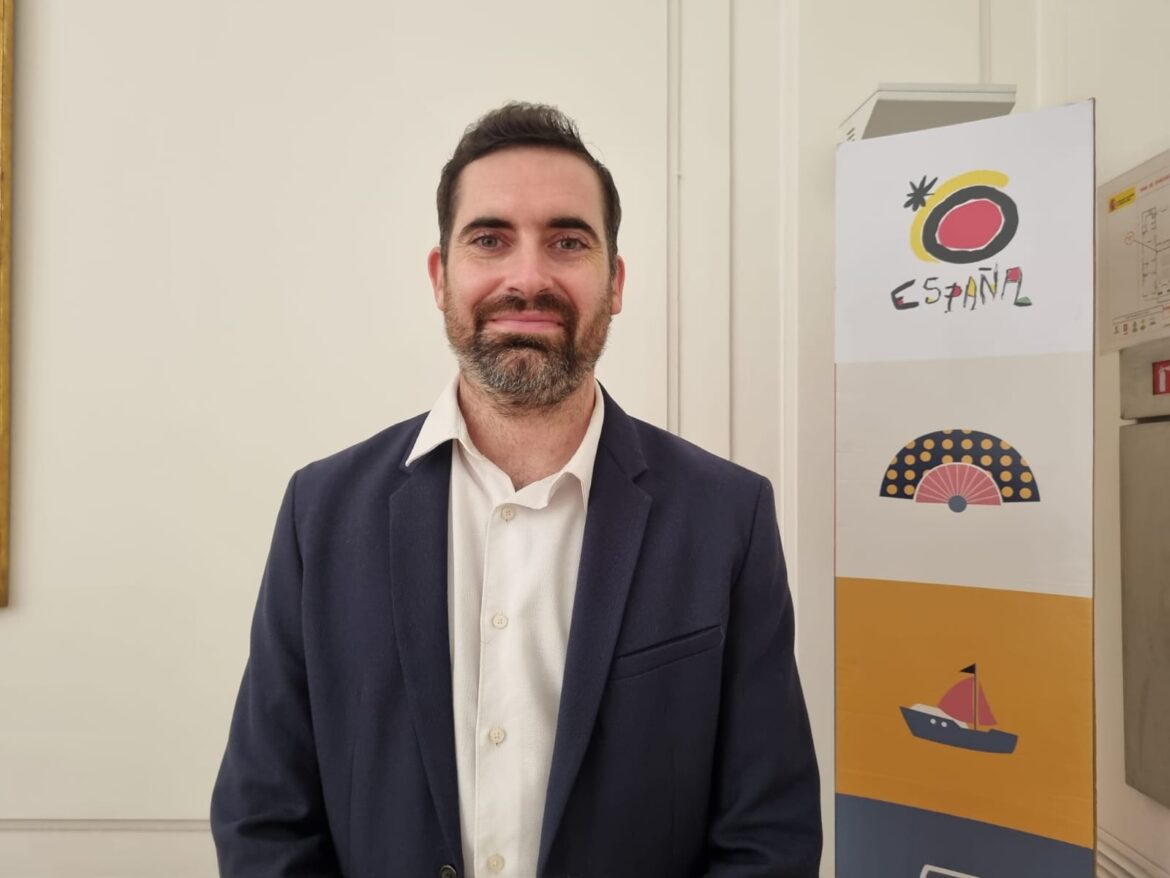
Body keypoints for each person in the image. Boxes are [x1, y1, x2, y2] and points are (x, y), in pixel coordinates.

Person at [211, 102, 821, 878]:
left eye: (567, 241)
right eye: (490, 240)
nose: (528, 278)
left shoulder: (726, 517)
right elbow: (264, 818)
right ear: (441, 278)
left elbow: (770, 836)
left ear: (614, 282)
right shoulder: (322, 513)